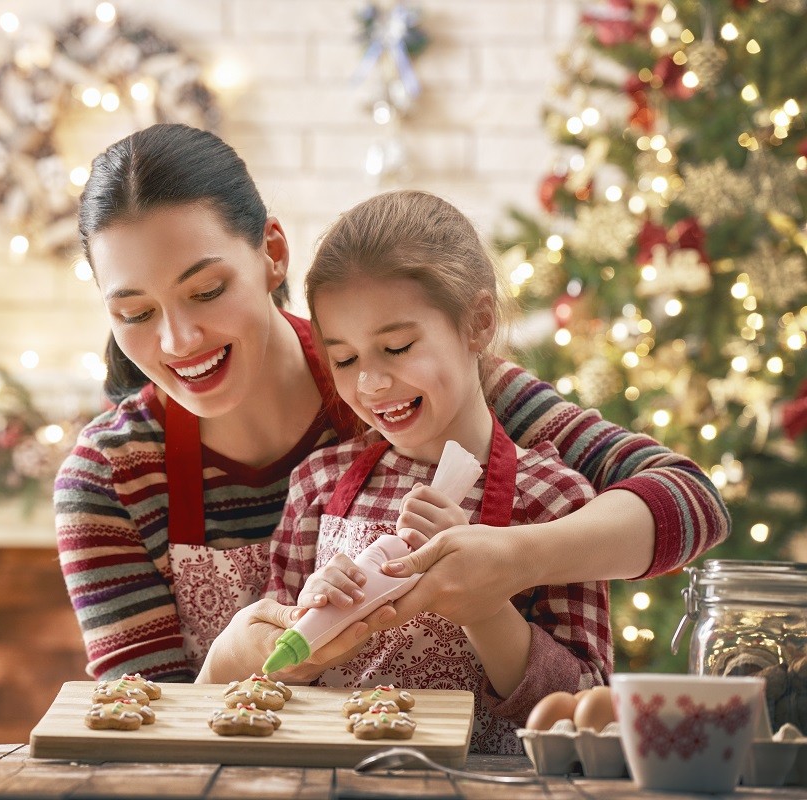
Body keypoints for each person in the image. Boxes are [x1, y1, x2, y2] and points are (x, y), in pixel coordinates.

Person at [54, 122, 728, 686]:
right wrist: (231, 664)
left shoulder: (411, 386)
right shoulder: (109, 479)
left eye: (206, 291)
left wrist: (514, 562)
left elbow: (691, 503)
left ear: (273, 254)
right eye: (136, 311)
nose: (179, 339)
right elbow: (139, 738)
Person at [263, 189, 609, 754]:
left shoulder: (552, 501)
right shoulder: (318, 486)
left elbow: (587, 713)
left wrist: (484, 605)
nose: (370, 384)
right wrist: (304, 626)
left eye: (396, 347)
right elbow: (272, 683)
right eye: (345, 360)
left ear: (477, 322)